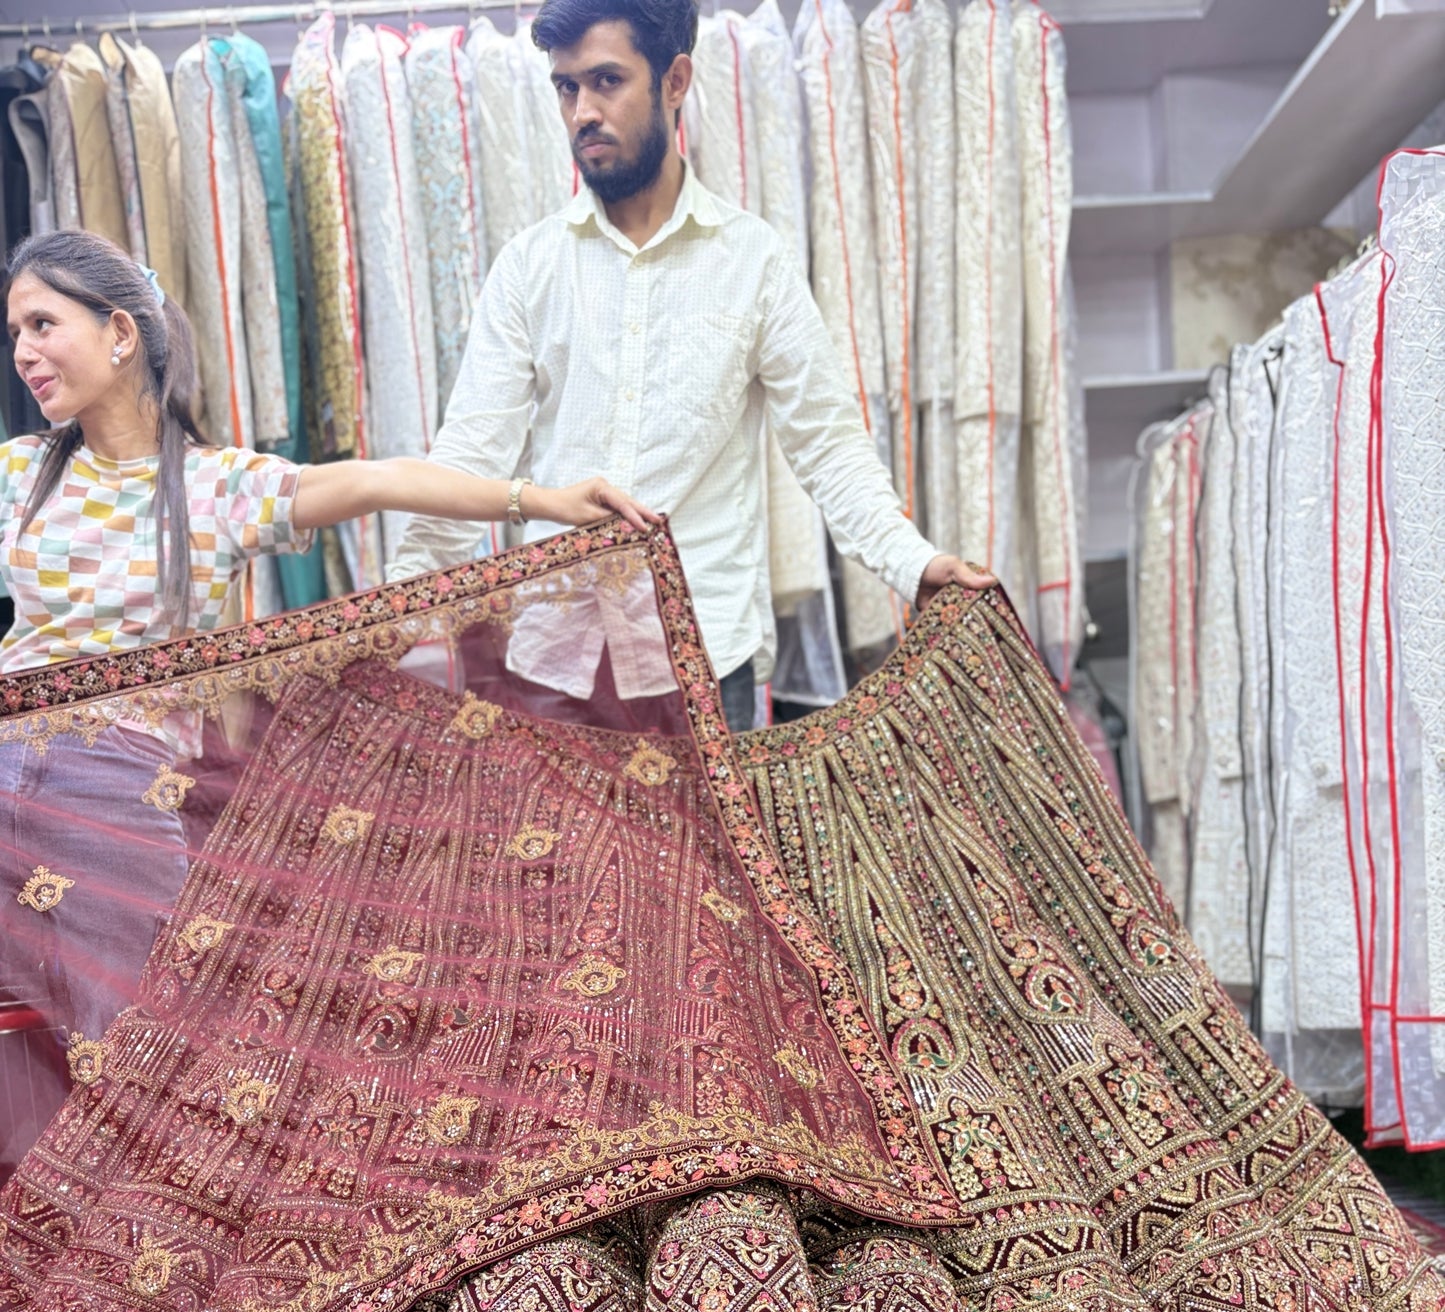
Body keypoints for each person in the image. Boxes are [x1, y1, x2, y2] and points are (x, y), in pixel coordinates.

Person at [0, 229, 654, 1048]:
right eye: (16, 331)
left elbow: (381, 480)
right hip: (4, 764)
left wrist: (546, 500)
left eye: (42, 324)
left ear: (120, 333)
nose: (23, 351)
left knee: (139, 1044)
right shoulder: (19, 473)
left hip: (115, 793)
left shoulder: (218, 488)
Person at [387, 0, 992, 733]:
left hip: (705, 663)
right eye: (566, 87)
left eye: (606, 80)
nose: (582, 111)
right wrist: (388, 614)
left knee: (716, 856)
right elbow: (468, 456)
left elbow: (828, 448)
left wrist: (913, 562)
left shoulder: (753, 262)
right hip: (553, 668)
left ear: (675, 81)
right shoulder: (528, 269)